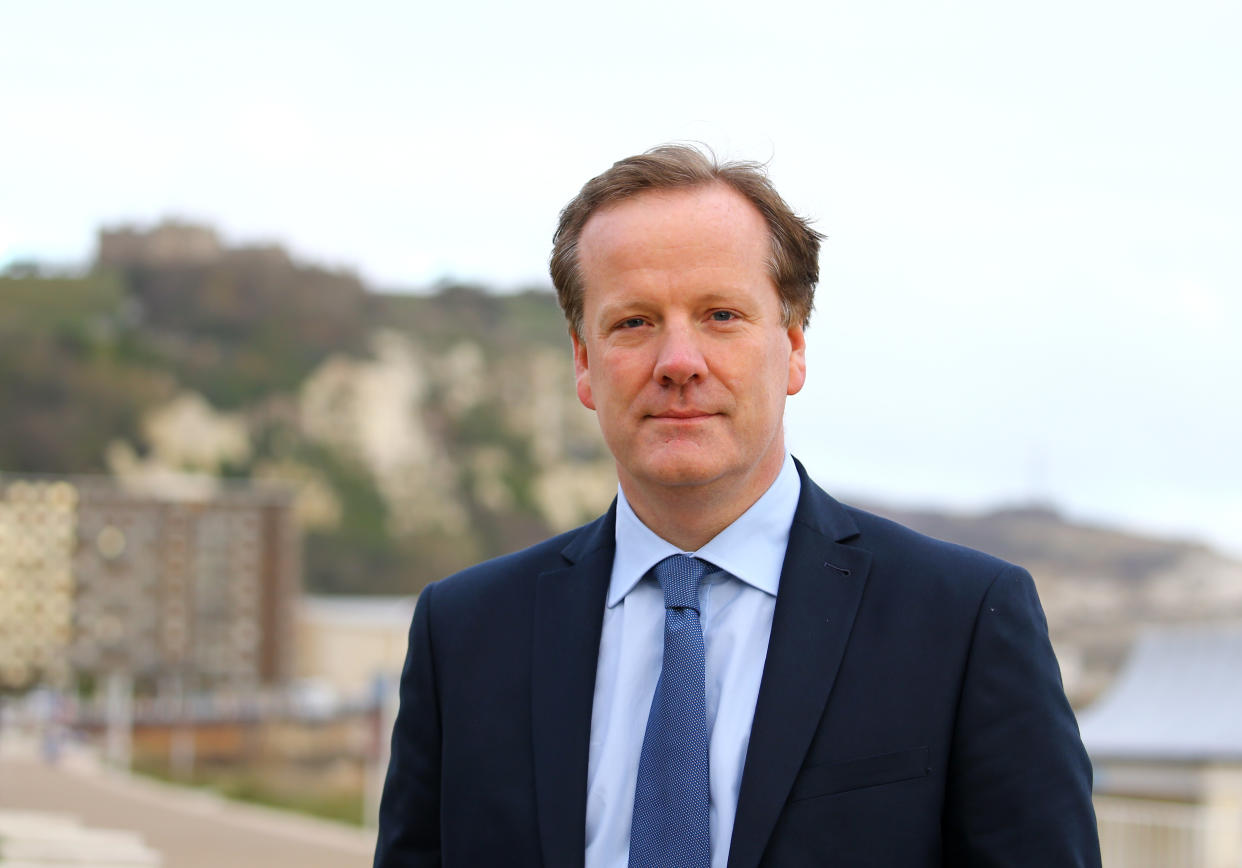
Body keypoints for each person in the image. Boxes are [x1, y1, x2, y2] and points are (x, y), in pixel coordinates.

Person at [374, 145, 1100, 868]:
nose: (679, 361)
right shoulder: (464, 635)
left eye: (721, 315)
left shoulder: (963, 622)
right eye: (634, 322)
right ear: (583, 362)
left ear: (793, 347)